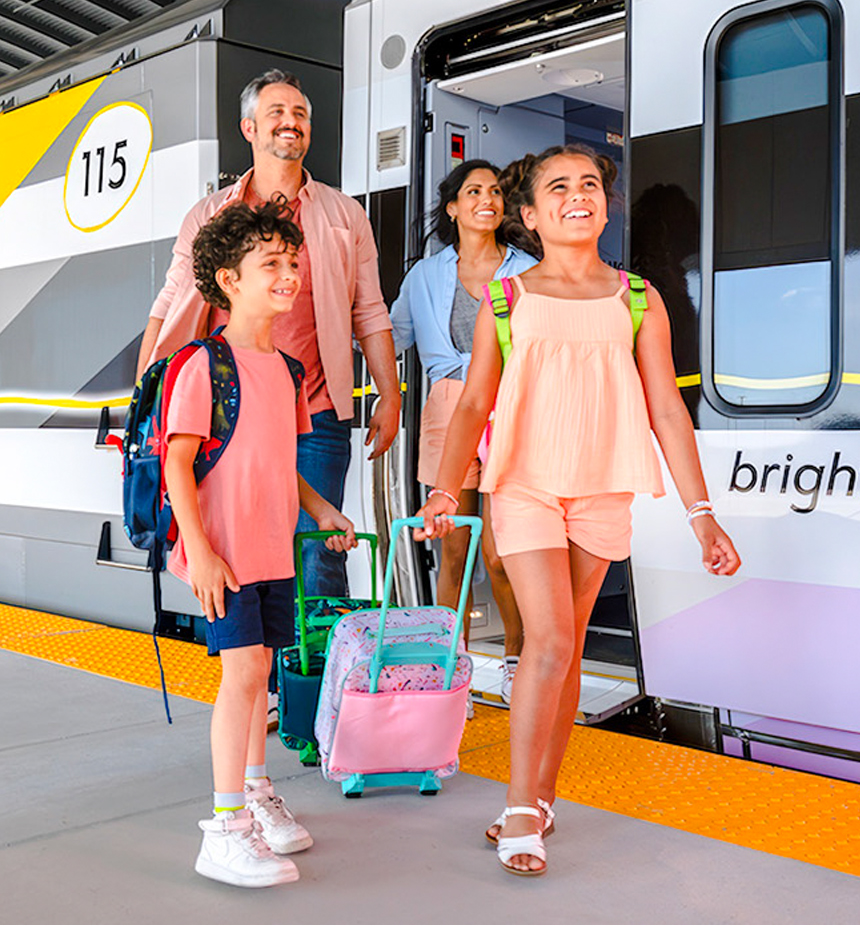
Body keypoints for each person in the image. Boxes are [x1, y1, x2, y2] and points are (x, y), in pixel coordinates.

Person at [415, 144, 741, 877]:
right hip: (524, 484)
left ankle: (542, 792)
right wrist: (444, 487)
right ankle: (525, 806)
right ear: (529, 214)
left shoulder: (638, 298)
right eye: (558, 186)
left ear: (605, 203)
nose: (577, 194)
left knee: (562, 660)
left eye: (590, 183)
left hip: (603, 487)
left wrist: (701, 512)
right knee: (553, 642)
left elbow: (666, 407)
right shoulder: (508, 299)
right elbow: (474, 401)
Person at [137, 69, 399, 606]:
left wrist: (390, 394)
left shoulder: (344, 215)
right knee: (241, 555)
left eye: (300, 114)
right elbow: (168, 306)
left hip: (317, 412)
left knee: (319, 556)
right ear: (249, 128)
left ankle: (310, 689)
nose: (291, 123)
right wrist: (147, 396)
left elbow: (369, 310)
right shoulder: (210, 215)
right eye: (277, 113)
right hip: (229, 416)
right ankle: (259, 679)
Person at [163, 199, 358, 887]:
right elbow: (176, 464)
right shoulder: (203, 364)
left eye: (292, 262)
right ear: (227, 278)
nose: (288, 274)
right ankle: (224, 829)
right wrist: (202, 551)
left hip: (272, 549)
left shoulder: (286, 367)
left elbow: (281, 462)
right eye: (270, 263)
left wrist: (324, 508)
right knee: (243, 675)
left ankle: (253, 788)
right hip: (224, 551)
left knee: (258, 675)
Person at [390, 160, 534, 709]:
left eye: (495, 191)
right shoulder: (425, 275)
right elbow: (392, 335)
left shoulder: (527, 269)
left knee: (501, 554)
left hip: (509, 409)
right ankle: (451, 672)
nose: (487, 199)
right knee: (454, 554)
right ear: (452, 208)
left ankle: (517, 664)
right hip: (447, 408)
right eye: (473, 191)